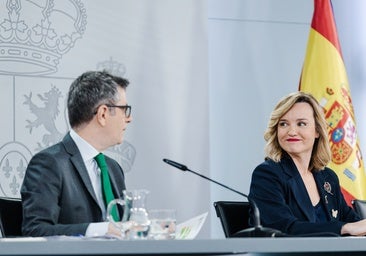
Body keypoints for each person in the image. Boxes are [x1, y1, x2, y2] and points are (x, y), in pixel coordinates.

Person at [21, 70, 132, 237]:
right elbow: (36, 231)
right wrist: (101, 229)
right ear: (102, 114)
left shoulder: (113, 168)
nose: (128, 119)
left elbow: (125, 231)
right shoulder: (49, 163)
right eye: (125, 109)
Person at [248, 91, 366, 236]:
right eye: (283, 124)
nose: (291, 131)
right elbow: (283, 229)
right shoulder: (267, 175)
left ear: (317, 131)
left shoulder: (328, 177)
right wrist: (343, 228)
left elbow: (354, 222)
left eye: (301, 124)